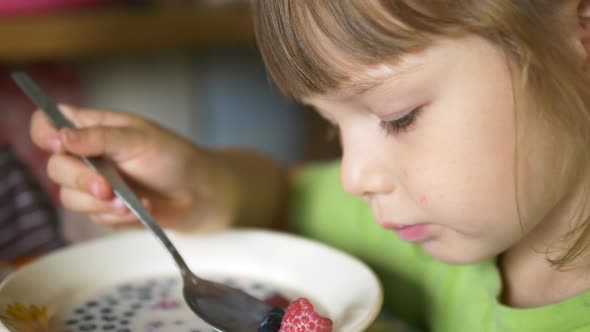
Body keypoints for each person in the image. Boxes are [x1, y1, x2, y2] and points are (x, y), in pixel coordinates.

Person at [29, 1, 590, 330]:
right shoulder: (446, 218)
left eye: (398, 117)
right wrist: (200, 184)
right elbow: (279, 195)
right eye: (332, 127)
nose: (353, 176)